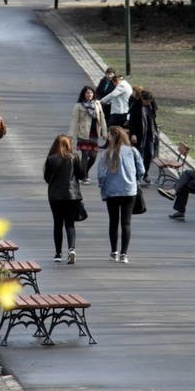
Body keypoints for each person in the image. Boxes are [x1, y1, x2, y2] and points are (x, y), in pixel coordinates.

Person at [97, 126, 145, 264]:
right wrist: (136, 181)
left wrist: (103, 186)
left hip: (112, 191)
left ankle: (114, 252)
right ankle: (124, 254)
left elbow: (101, 174)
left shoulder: (107, 153)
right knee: (126, 222)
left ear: (111, 137)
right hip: (129, 190)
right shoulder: (132, 151)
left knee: (113, 221)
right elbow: (141, 170)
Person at [43, 134, 85, 264]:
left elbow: (46, 178)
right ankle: (71, 249)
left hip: (55, 196)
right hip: (72, 195)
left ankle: (58, 253)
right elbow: (82, 175)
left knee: (57, 224)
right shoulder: (74, 158)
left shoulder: (51, 159)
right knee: (70, 224)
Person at [69, 86, 107, 184]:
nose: (89, 95)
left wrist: (104, 132)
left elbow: (102, 118)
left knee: (93, 156)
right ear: (83, 94)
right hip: (83, 134)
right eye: (87, 93)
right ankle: (85, 176)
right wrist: (70, 136)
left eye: (90, 93)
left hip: (94, 134)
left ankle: (83, 172)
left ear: (93, 94)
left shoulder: (97, 104)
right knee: (85, 155)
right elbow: (74, 121)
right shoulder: (78, 106)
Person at [128, 90, 159, 185]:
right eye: (147, 101)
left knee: (149, 154)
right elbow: (132, 120)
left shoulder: (151, 105)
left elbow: (155, 114)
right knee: (138, 155)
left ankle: (145, 173)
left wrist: (152, 103)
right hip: (138, 134)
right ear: (142, 99)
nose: (148, 102)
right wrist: (133, 133)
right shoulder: (136, 106)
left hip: (150, 133)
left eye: (150, 101)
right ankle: (137, 175)